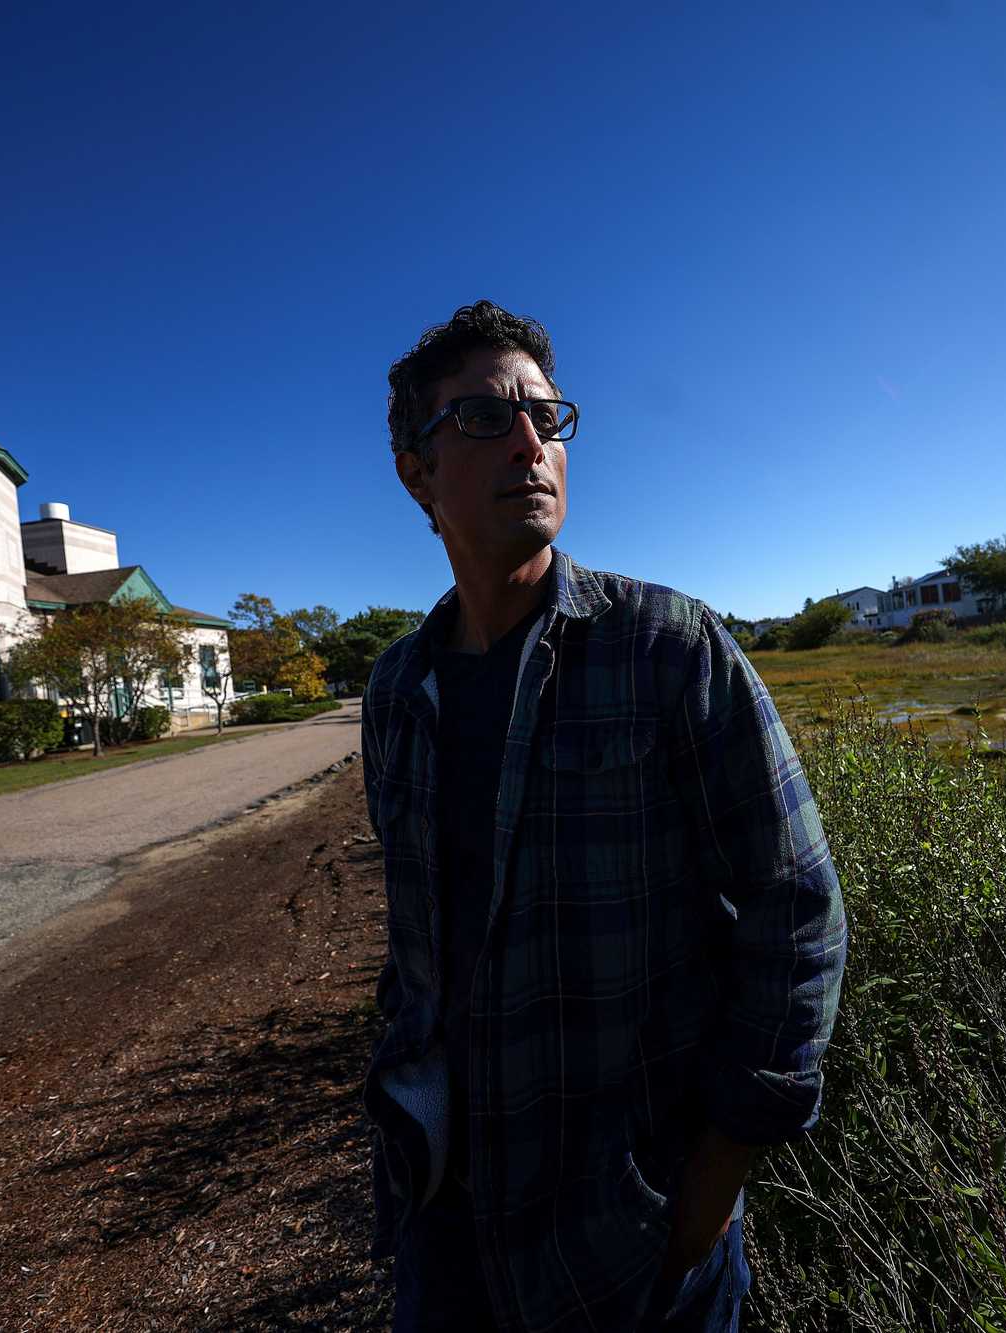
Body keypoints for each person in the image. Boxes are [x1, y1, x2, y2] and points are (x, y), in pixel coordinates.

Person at [361, 301, 847, 1332]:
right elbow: (415, 945)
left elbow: (796, 907)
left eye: (547, 417)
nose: (532, 447)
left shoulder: (667, 648)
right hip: (443, 1223)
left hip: (634, 1238)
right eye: (485, 420)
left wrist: (713, 1178)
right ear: (415, 471)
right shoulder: (397, 691)